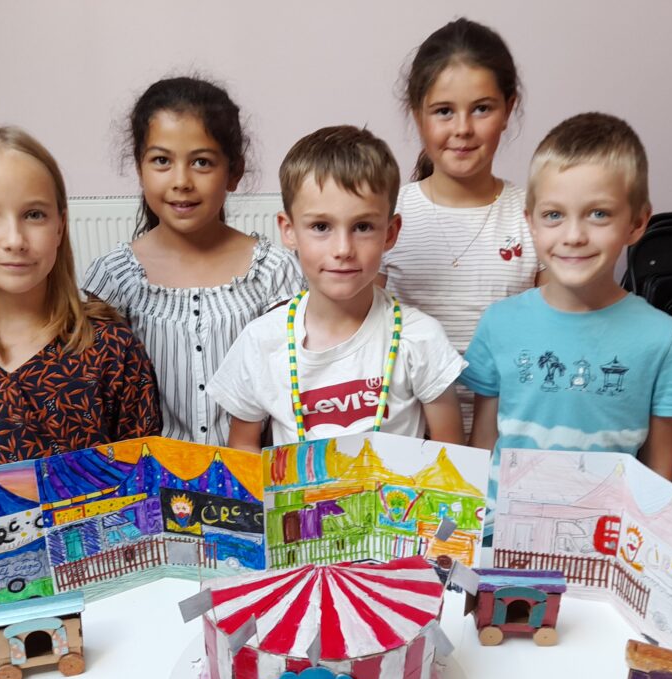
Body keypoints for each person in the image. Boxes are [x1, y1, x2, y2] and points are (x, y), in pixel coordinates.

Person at [0, 125, 160, 481]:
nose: (15, 240)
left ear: (60, 226)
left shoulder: (112, 349)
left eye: (34, 214)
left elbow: (144, 476)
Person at [461, 112, 672, 479]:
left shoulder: (662, 337)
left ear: (636, 223)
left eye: (598, 214)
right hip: (503, 514)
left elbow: (659, 472)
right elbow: (483, 446)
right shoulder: (499, 323)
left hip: (608, 514)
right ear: (531, 222)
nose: (573, 236)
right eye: (554, 215)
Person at [210, 125, 465, 452]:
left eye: (363, 227)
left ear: (390, 233)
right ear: (289, 231)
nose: (343, 249)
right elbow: (242, 451)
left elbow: (452, 457)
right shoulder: (261, 341)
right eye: (321, 226)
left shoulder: (420, 338)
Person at [80, 77, 304, 446]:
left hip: (252, 468)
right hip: (150, 472)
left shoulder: (274, 273)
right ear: (139, 168)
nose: (181, 181)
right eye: (161, 161)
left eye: (201, 162)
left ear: (234, 172)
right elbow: (103, 396)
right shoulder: (115, 278)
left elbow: (290, 387)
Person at [380, 18, 538, 425]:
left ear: (509, 109)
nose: (463, 129)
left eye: (482, 109)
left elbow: (552, 333)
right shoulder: (386, 216)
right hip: (410, 436)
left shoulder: (536, 216)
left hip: (510, 430)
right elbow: (365, 335)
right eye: (444, 112)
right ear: (417, 114)